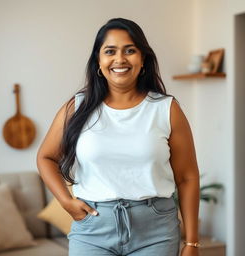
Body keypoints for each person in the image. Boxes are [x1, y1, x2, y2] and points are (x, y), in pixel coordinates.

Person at [37, 18, 200, 256]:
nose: (120, 59)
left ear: (143, 59)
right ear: (98, 62)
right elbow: (46, 157)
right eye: (110, 51)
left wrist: (192, 242)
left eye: (130, 50)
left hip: (156, 232)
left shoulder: (166, 109)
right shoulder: (77, 107)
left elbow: (187, 177)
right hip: (93, 230)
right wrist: (65, 201)